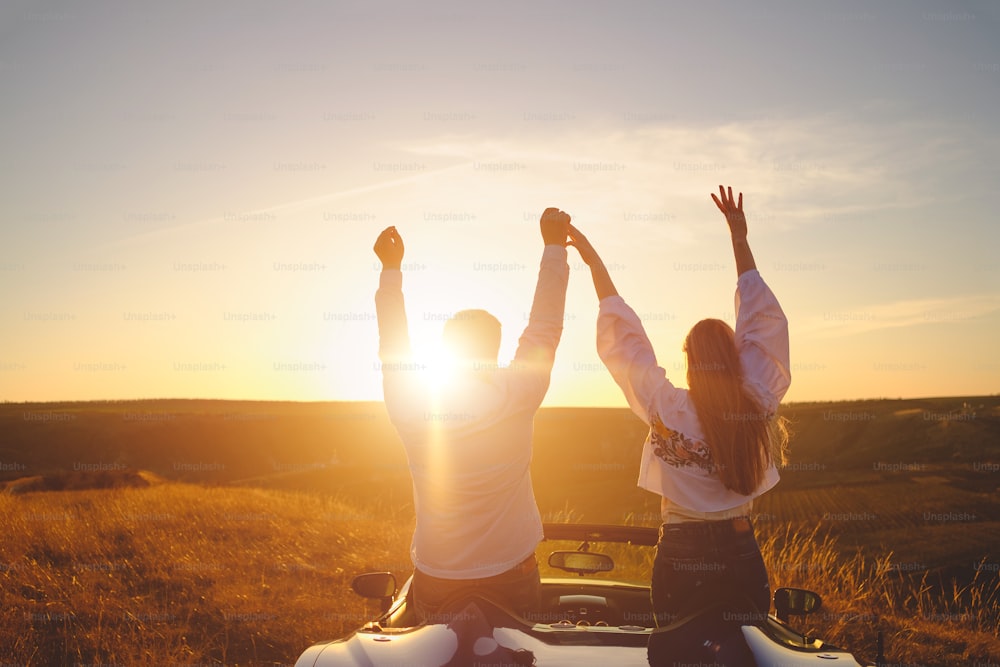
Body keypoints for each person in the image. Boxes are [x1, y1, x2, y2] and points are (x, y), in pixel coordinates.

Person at [568, 186, 790, 664]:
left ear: (689, 362)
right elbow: (763, 318)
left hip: (682, 550)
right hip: (739, 546)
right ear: (735, 358)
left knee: (674, 655)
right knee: (748, 655)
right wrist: (739, 238)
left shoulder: (665, 407)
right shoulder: (756, 401)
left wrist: (592, 262)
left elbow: (623, 339)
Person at [373, 208, 571, 623]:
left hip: (438, 575)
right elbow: (545, 327)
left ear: (445, 350)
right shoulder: (518, 392)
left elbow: (394, 345)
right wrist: (554, 248)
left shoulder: (412, 403)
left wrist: (391, 271)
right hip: (512, 573)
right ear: (495, 350)